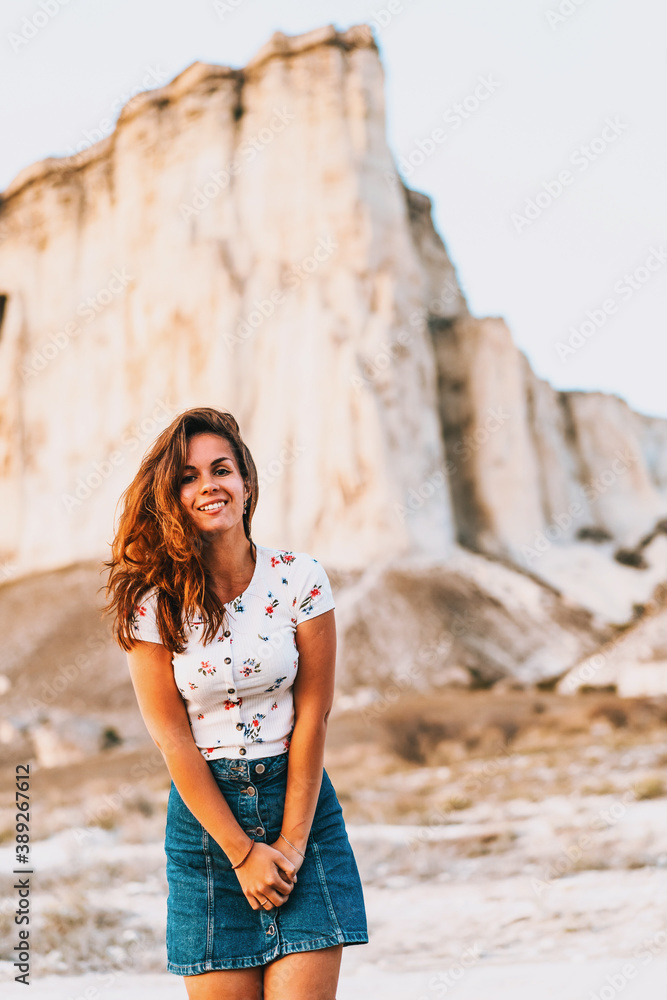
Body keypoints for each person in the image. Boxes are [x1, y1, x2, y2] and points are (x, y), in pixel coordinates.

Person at [104, 406, 368, 999]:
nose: (208, 487)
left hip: (301, 810)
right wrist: (242, 852)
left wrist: (293, 842)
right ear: (173, 499)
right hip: (206, 828)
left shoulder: (300, 578)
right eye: (188, 478)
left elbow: (314, 714)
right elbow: (172, 738)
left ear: (246, 481)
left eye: (220, 469)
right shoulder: (153, 604)